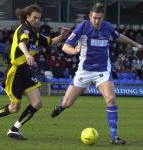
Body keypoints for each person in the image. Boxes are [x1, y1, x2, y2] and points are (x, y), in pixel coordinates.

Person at [51, 2, 143, 145]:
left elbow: (119, 37)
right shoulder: (82, 27)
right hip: (85, 71)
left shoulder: (107, 27)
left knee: (111, 99)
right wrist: (74, 50)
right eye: (94, 18)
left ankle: (114, 136)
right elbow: (65, 46)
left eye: (99, 18)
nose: (97, 21)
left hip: (102, 71)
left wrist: (136, 45)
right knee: (68, 103)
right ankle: (61, 106)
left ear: (103, 18)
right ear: (90, 16)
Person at [0, 4, 69, 140]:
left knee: (37, 103)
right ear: (27, 16)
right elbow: (22, 43)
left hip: (26, 72)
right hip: (16, 72)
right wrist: (27, 54)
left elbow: (50, 42)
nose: (37, 20)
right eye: (34, 17)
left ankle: (14, 129)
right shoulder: (24, 29)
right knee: (14, 108)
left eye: (39, 18)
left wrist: (62, 36)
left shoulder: (35, 33)